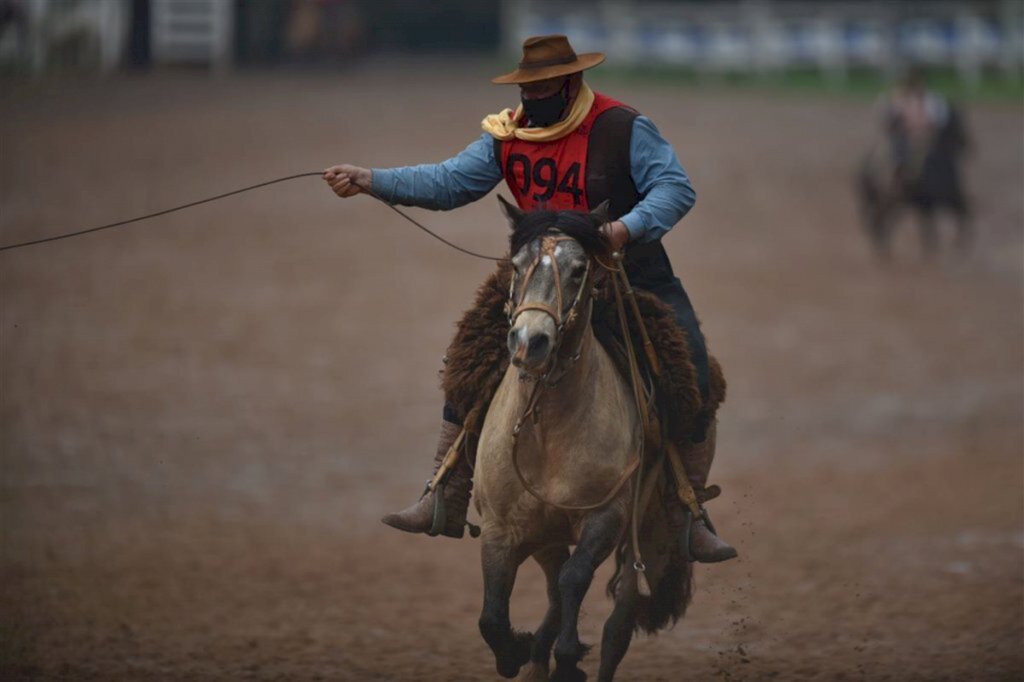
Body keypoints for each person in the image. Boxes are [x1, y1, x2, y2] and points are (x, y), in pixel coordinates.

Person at [324, 35, 736, 563]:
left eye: (541, 87)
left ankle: (686, 510)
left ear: (570, 84)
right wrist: (370, 180)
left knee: (694, 371)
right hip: (538, 277)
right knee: (467, 360)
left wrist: (621, 231)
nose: (532, 96)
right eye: (526, 86)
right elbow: (450, 182)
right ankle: (445, 493)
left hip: (630, 272)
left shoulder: (623, 127)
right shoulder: (508, 133)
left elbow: (675, 188)